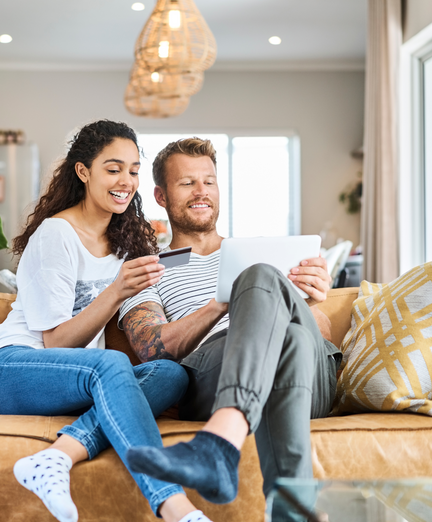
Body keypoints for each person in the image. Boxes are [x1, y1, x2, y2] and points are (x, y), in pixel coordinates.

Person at [0, 121, 214, 522]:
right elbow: (56, 343)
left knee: (171, 375)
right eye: (113, 168)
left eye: (134, 170)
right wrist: (117, 289)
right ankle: (174, 506)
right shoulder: (56, 234)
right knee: (112, 366)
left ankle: (54, 457)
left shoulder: (125, 245)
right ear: (83, 172)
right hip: (8, 371)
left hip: (76, 378)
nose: (126, 181)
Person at [120, 138, 341, 520]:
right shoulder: (151, 268)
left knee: (283, 317)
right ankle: (291, 512)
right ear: (160, 194)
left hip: (311, 376)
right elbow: (152, 348)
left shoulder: (266, 253)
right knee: (273, 312)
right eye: (187, 183)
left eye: (209, 181)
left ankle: (219, 444)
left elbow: (320, 336)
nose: (201, 191)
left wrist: (309, 303)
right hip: (213, 370)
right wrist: (225, 302)